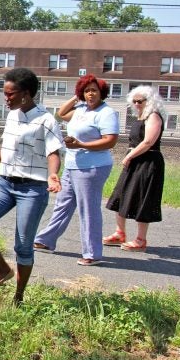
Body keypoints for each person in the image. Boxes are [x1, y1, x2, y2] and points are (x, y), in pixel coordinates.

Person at [0, 68, 63, 306]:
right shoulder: (12, 115)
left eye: (10, 94)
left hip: (32, 188)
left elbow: (53, 152)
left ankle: (18, 298)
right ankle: (3, 269)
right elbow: (7, 149)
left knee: (23, 245)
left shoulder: (46, 120)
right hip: (5, 182)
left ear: (27, 94)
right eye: (5, 93)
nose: (6, 98)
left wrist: (53, 175)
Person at [33, 75, 119, 266]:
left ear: (101, 93)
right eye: (86, 90)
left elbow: (110, 140)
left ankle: (92, 253)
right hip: (72, 165)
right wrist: (76, 97)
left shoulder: (106, 113)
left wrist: (82, 144)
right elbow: (62, 113)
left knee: (88, 209)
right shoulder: (81, 109)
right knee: (62, 204)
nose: (90, 94)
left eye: (94, 90)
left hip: (92, 167)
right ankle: (46, 240)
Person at [103, 85, 166, 252]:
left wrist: (129, 156)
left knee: (143, 198)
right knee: (121, 195)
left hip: (148, 162)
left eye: (140, 101)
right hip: (135, 162)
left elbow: (148, 142)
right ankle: (120, 233)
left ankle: (140, 240)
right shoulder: (140, 116)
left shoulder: (153, 116)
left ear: (150, 101)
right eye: (134, 101)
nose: (137, 104)